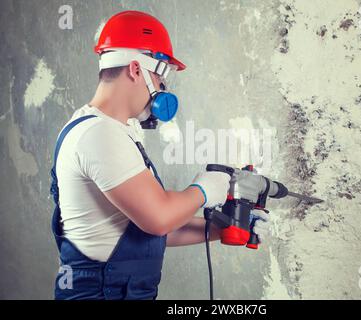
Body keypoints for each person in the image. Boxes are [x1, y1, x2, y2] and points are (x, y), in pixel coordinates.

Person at [50, 10, 268, 300]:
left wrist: (225, 227)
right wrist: (205, 188)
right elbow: (158, 218)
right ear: (136, 69)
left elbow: (148, 231)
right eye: (162, 75)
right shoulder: (98, 134)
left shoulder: (112, 131)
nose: (164, 88)